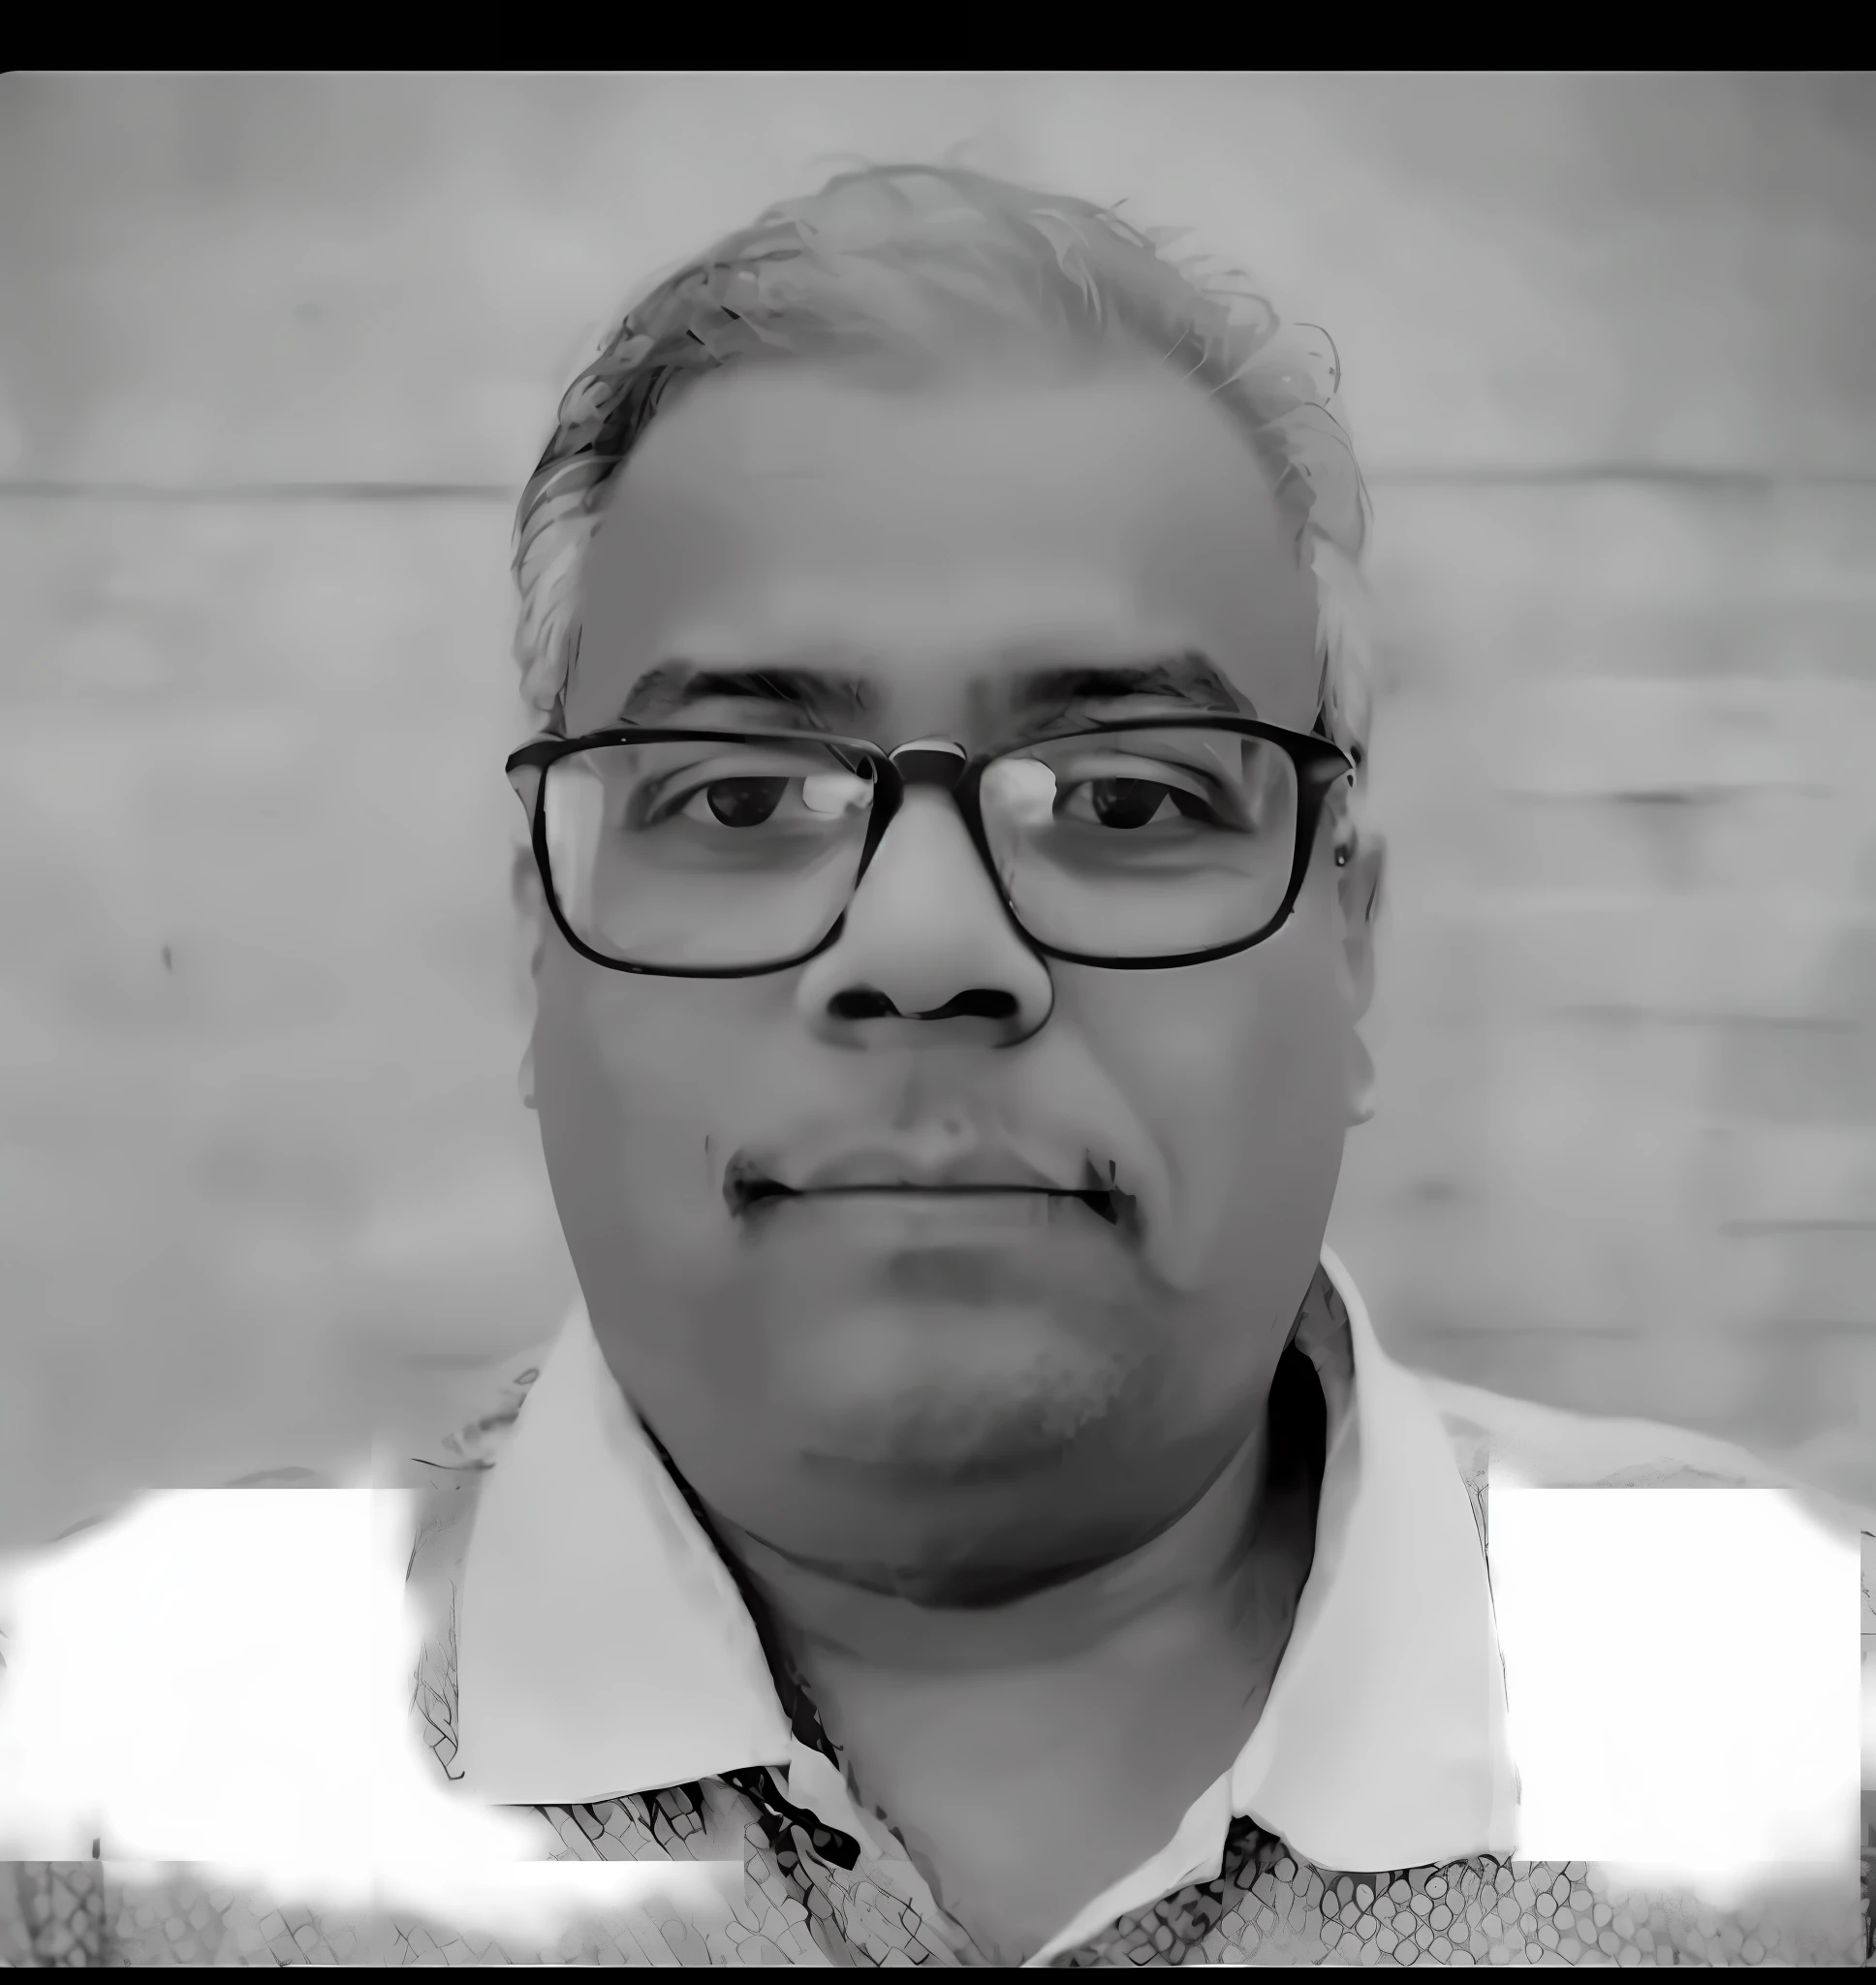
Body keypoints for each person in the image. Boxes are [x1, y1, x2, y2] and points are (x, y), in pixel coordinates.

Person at [3, 163, 1869, 1969]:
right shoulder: (94, 1790)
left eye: (1128, 798)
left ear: (1349, 940)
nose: (924, 951)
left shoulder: (1807, 1731)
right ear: (540, 945)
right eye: (738, 799)